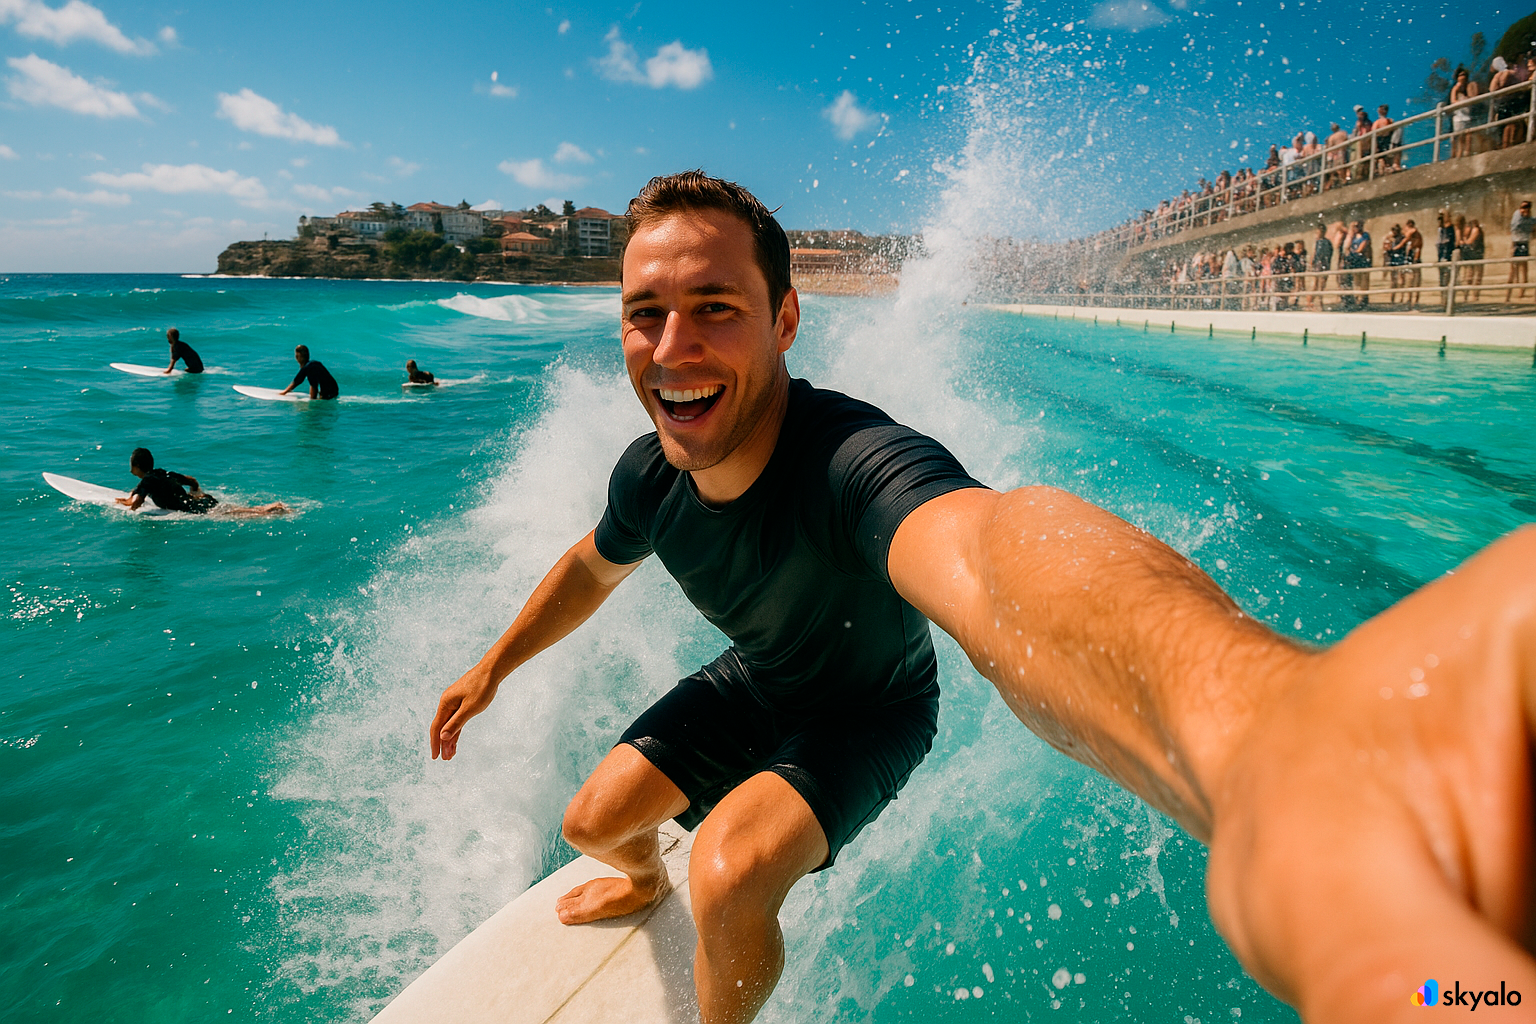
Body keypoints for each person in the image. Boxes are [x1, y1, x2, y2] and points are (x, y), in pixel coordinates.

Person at [428, 172, 1536, 1024]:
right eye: (645, 312)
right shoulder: (648, 474)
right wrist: (491, 667)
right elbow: (591, 563)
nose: (673, 348)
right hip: (759, 681)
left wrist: (1258, 725)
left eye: (715, 306)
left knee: (722, 877)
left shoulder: (853, 459)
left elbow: (993, 548)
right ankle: (635, 879)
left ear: (784, 321)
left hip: (869, 710)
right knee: (592, 825)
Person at [115, 447, 288, 517]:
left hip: (194, 507)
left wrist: (127, 505)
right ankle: (273, 507)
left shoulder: (147, 482)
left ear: (137, 466)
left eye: (131, 465)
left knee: (239, 514)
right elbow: (192, 481)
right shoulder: (161, 473)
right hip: (200, 499)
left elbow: (137, 503)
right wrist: (194, 494)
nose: (130, 469)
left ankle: (273, 509)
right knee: (234, 509)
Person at [1450, 67, 1480, 159]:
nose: (1463, 77)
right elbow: (1453, 100)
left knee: (1468, 135)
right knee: (1459, 137)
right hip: (1459, 116)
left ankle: (1467, 153)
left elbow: (1474, 96)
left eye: (1464, 75)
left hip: (1468, 115)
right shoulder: (1456, 88)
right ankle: (1457, 155)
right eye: (1461, 75)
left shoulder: (1469, 86)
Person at [1508, 200, 1534, 303]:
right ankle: (1508, 293)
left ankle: (1521, 291)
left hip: (1524, 243)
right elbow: (1515, 225)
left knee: (1523, 269)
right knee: (1513, 270)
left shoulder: (1530, 219)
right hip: (1516, 243)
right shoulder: (1518, 215)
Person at [1308, 224, 1333, 309]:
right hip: (1317, 265)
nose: (1320, 233)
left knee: (1322, 285)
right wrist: (1311, 264)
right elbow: (1314, 253)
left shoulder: (1327, 242)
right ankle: (1310, 302)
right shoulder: (1317, 242)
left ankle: (1319, 301)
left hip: (1324, 265)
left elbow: (1330, 254)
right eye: (1319, 231)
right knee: (1314, 284)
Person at [1403, 219, 1424, 307]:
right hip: (1408, 262)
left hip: (1415, 262)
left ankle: (1415, 301)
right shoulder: (1408, 242)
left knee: (1416, 281)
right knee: (1409, 282)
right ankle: (1409, 300)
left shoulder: (1417, 238)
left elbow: (1418, 250)